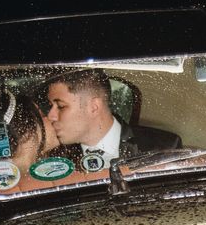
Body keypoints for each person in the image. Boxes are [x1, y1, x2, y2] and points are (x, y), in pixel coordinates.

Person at [46, 69, 181, 170]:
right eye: (51, 106)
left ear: (94, 107)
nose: (51, 115)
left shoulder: (163, 147)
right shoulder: (55, 160)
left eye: (61, 106)